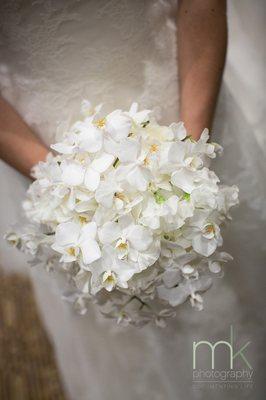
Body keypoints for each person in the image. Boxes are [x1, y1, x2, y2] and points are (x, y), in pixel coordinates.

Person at [0, 1, 264, 399]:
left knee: (229, 284)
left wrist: (188, 158)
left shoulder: (189, 151)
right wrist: (66, 189)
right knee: (116, 323)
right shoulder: (63, 184)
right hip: (49, 152)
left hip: (184, 106)